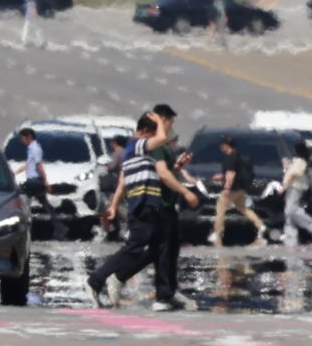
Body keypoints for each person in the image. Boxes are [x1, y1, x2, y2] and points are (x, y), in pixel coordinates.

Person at [102, 104, 200, 311]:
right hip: (158, 204)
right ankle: (159, 293)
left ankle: (166, 292)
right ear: (161, 120)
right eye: (169, 122)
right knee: (156, 250)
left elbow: (162, 172)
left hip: (164, 203)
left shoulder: (158, 146)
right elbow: (160, 174)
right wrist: (186, 192)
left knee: (166, 250)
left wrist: (178, 167)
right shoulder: (152, 145)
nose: (171, 127)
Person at [87, 112, 174, 310]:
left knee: (160, 245)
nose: (154, 138)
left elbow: (123, 182)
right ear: (143, 132)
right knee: (134, 248)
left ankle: (163, 296)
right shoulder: (137, 145)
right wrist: (161, 122)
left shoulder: (133, 152)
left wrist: (114, 205)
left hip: (147, 204)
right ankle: (96, 279)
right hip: (142, 204)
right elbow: (162, 138)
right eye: (151, 134)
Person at [210, 135, 266, 247]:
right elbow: (233, 172)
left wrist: (226, 188)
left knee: (220, 210)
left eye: (223, 145)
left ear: (227, 145)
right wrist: (220, 176)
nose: (221, 147)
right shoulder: (238, 156)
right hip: (241, 189)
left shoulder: (230, 157)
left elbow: (231, 174)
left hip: (232, 189)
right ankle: (261, 225)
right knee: (243, 208)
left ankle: (217, 235)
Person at [14, 128, 67, 240]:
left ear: (28, 136)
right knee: (45, 204)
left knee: (17, 196)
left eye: (23, 138)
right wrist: (15, 173)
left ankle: (20, 228)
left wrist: (45, 181)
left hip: (35, 181)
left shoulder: (35, 149)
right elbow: (29, 165)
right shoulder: (31, 149)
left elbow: (39, 165)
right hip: (34, 181)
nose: (22, 140)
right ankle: (59, 226)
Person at [278, 140, 312, 246]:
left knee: (291, 210)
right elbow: (290, 171)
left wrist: (284, 186)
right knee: (288, 213)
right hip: (292, 187)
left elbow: (294, 176)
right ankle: (290, 236)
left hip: (296, 188)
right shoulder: (298, 161)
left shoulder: (301, 161)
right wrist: (287, 165)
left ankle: (311, 223)